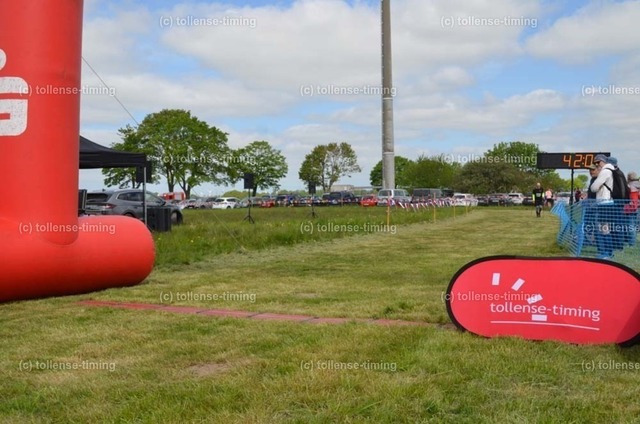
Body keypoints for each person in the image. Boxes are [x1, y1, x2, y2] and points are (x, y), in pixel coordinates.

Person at [589, 154, 615, 259]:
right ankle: (608, 252)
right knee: (604, 228)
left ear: (602, 161)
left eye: (597, 162)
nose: (596, 165)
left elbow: (594, 188)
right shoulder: (609, 170)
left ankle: (607, 252)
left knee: (604, 229)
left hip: (604, 203)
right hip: (606, 202)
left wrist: (596, 185)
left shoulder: (605, 171)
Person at [624, 171, 640, 246]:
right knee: (635, 225)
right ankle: (633, 241)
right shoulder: (638, 185)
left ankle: (631, 243)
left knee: (630, 226)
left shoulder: (629, 186)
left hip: (630, 208)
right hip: (637, 207)